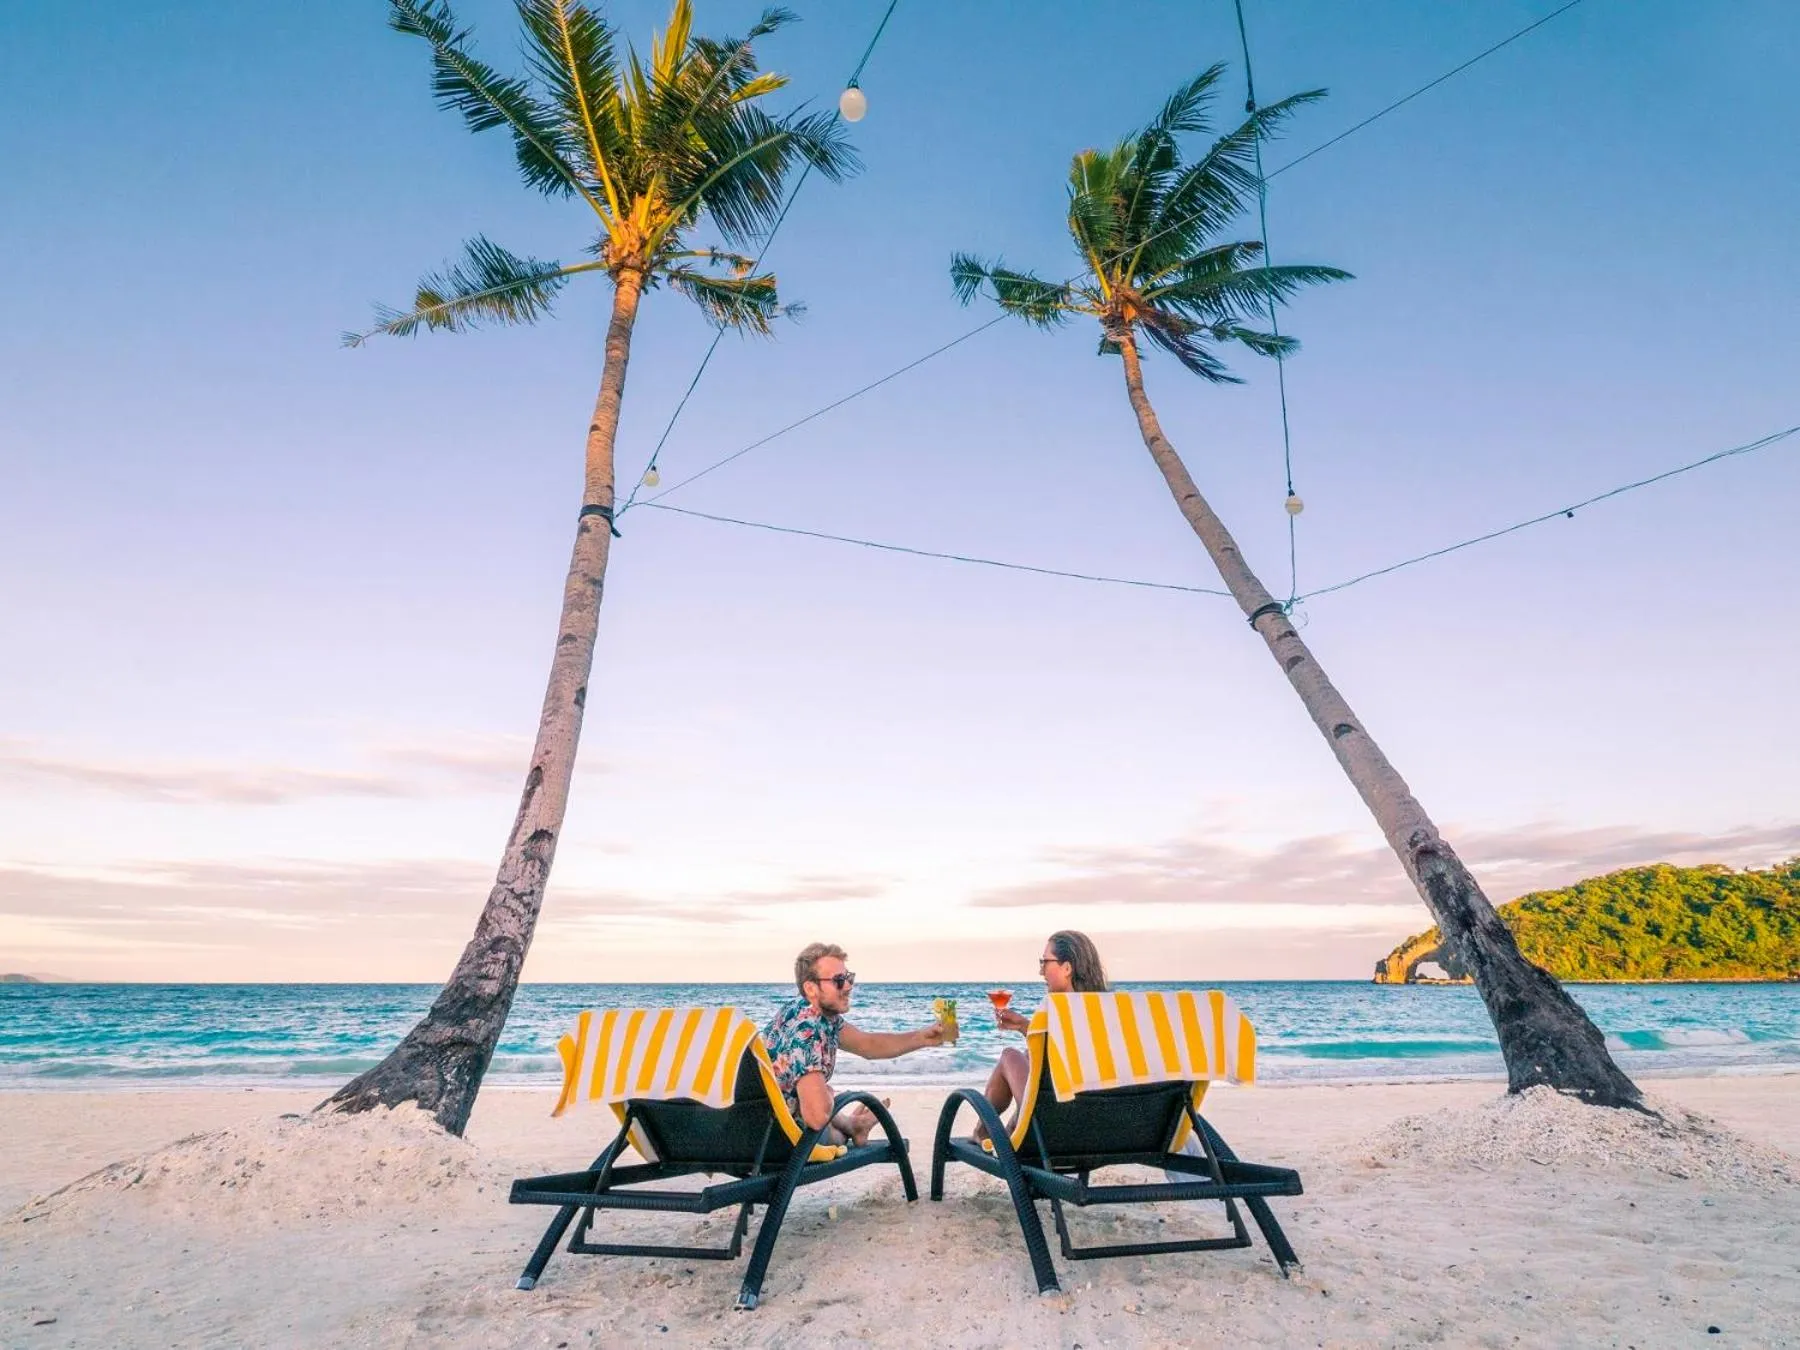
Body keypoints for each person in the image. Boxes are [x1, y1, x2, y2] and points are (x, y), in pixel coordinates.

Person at [763, 941, 951, 1146]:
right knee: (829, 1128)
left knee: (821, 1105)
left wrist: (922, 1038)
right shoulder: (807, 1031)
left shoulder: (806, 1012)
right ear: (811, 988)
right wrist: (829, 1095)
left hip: (764, 1124)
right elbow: (816, 1118)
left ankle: (854, 1125)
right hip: (778, 1139)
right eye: (838, 981)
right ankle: (853, 1128)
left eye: (849, 978)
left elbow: (867, 1044)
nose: (849, 986)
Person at [976, 930, 1109, 1142]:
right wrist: (1023, 1026)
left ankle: (982, 1132)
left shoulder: (1057, 1010)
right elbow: (1069, 1051)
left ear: (1067, 968)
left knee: (1009, 1055)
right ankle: (1010, 1129)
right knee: (1030, 1057)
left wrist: (1024, 1026)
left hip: (1055, 1123)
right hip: (1099, 1126)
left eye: (1045, 962)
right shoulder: (1108, 1014)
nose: (1041, 971)